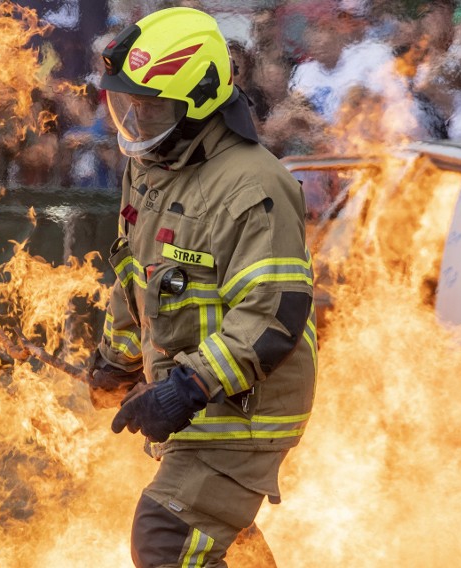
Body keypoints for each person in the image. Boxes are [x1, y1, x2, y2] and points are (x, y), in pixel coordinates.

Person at [87, 7, 317, 567]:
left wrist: (186, 388)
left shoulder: (254, 185)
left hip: (243, 410)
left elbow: (270, 317)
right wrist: (117, 362)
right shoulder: (151, 166)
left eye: (151, 107)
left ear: (198, 105)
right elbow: (135, 276)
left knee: (167, 537)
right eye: (128, 105)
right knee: (224, 547)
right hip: (195, 403)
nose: (136, 121)